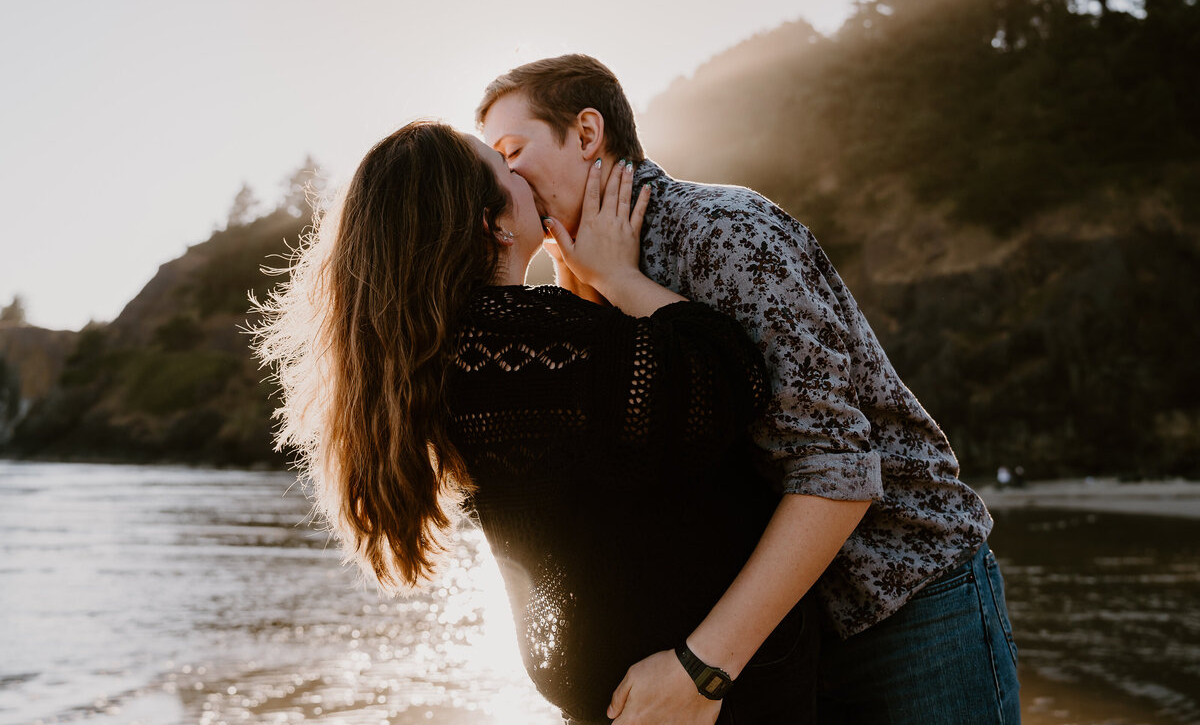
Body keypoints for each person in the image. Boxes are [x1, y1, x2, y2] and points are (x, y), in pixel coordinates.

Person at [477, 54, 1021, 724]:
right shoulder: (578, 282)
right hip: (785, 632)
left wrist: (702, 669)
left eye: (513, 152)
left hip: (909, 597)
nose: (507, 183)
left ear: (587, 134)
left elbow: (839, 472)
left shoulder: (725, 234)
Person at [251, 120, 818, 724]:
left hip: (600, 689)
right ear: (493, 224)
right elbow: (734, 378)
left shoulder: (433, 365)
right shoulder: (539, 342)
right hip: (692, 690)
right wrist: (618, 275)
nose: (521, 175)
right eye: (504, 170)